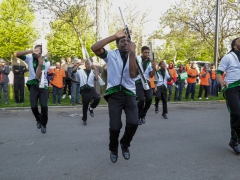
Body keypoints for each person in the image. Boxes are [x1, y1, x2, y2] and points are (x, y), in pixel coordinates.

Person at [91, 29, 138, 163]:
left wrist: (133, 53)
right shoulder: (111, 55)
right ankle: (113, 148)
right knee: (115, 126)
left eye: (128, 41)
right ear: (117, 44)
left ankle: (125, 144)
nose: (125, 43)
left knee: (134, 122)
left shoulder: (135, 56)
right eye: (122, 41)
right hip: (114, 95)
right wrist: (114, 36)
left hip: (129, 94)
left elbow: (133, 74)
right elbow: (95, 48)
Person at [14, 45, 50, 134]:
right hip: (33, 85)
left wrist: (40, 64)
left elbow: (38, 76)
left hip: (43, 86)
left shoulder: (46, 62)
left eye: (39, 51)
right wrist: (29, 51)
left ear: (41, 53)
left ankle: (44, 124)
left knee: (44, 106)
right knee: (33, 106)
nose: (37, 52)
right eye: (36, 50)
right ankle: (38, 119)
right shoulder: (29, 58)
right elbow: (16, 54)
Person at [216, 37, 240, 154]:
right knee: (236, 113)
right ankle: (236, 139)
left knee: (237, 115)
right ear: (235, 46)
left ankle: (234, 140)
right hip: (231, 87)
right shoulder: (229, 57)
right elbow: (219, 73)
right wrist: (222, 82)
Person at [135, 46, 156, 125]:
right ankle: (137, 116)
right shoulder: (138, 59)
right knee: (140, 100)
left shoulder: (151, 62)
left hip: (147, 82)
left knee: (149, 99)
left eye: (148, 53)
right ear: (142, 52)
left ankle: (143, 115)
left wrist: (154, 67)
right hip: (138, 81)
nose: (147, 54)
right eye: (145, 52)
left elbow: (151, 76)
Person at [76, 61, 101, 126]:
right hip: (84, 89)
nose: (88, 65)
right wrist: (78, 64)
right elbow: (73, 71)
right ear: (85, 65)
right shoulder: (81, 71)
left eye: (89, 64)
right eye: (87, 64)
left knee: (97, 98)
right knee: (85, 105)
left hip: (91, 88)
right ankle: (84, 120)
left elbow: (96, 78)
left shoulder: (93, 71)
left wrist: (95, 69)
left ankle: (91, 107)